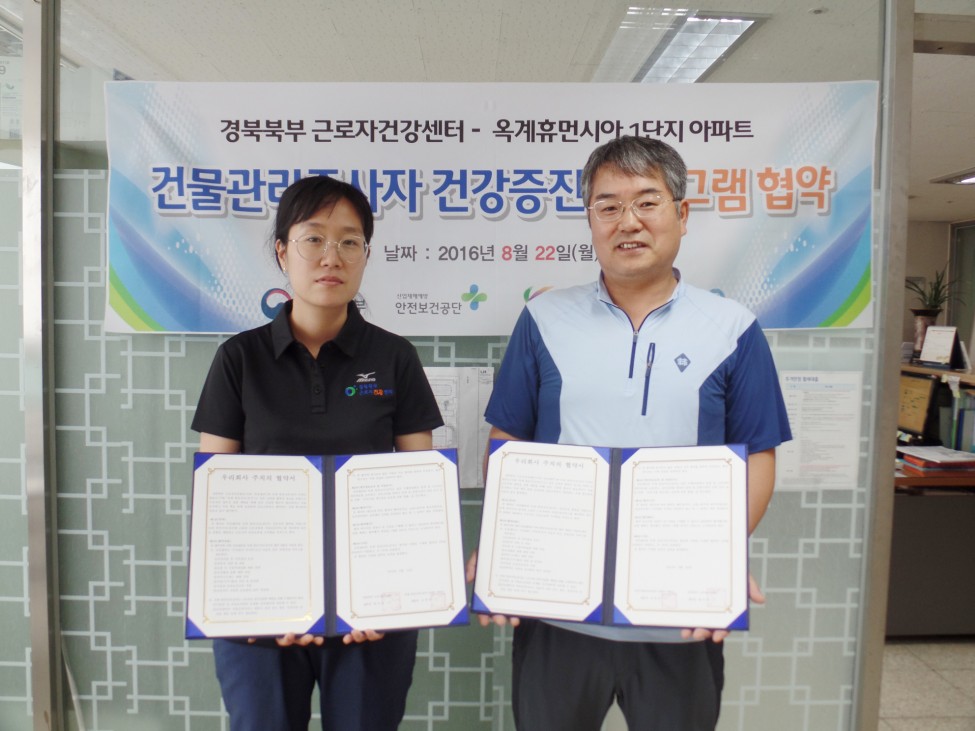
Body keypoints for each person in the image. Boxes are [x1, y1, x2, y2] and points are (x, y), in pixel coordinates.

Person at [479, 136, 792, 730]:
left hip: (678, 614)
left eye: (647, 202)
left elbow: (758, 456)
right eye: (608, 206)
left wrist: (718, 558)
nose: (628, 222)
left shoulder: (732, 328)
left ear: (682, 213)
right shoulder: (544, 318)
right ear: (590, 219)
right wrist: (504, 544)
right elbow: (508, 439)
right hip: (559, 611)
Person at [191, 175, 444, 731]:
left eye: (350, 241)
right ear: (283, 251)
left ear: (366, 255)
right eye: (314, 239)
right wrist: (257, 601)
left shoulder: (395, 358)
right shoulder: (238, 359)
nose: (332, 256)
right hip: (259, 611)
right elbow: (216, 498)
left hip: (370, 614)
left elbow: (417, 493)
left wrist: (390, 596)